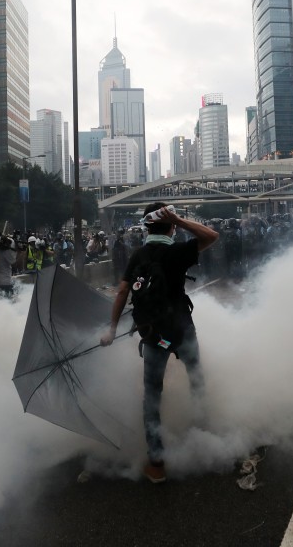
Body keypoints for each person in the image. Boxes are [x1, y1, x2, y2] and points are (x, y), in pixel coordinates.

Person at [100, 201, 219, 484]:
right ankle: (203, 434)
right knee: (196, 379)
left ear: (146, 227)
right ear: (171, 226)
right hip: (181, 331)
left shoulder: (138, 255)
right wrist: (180, 219)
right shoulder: (176, 251)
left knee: (152, 396)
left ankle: (156, 463)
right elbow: (211, 236)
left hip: (154, 336)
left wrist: (112, 330)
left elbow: (121, 293)